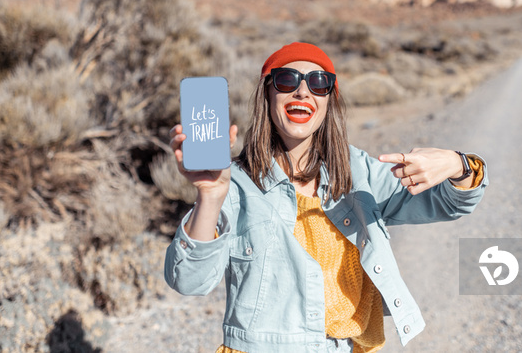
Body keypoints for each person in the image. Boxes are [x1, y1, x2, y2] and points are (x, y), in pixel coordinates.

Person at [165, 42, 487, 353]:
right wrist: (209, 194)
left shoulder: (357, 171)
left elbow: (448, 202)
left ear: (329, 100)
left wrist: (458, 164)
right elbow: (189, 281)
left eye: (318, 82)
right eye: (287, 79)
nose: (302, 91)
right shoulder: (235, 184)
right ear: (267, 94)